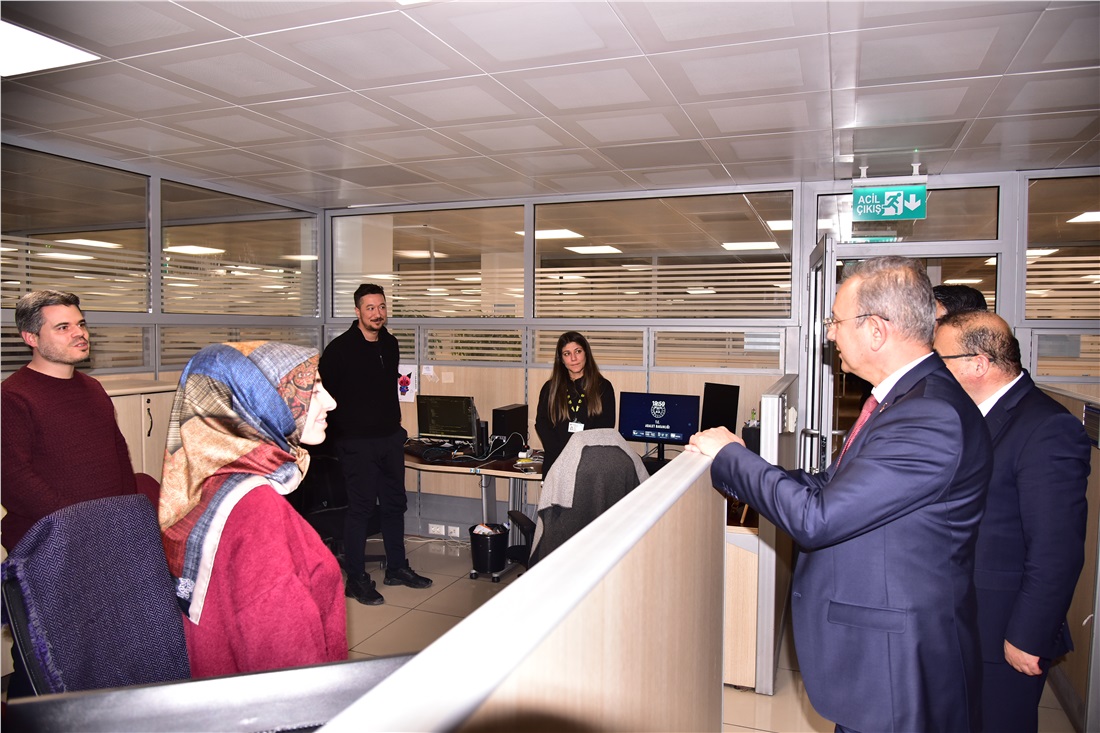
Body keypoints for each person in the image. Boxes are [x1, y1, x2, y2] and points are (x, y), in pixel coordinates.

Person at [689, 256, 993, 732]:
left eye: (835, 321)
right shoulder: (902, 400)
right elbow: (831, 486)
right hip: (881, 658)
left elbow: (818, 518)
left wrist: (731, 456)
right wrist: (742, 463)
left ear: (875, 330)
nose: (830, 334)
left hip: (897, 666)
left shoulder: (928, 414)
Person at [934, 310, 1090, 732]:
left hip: (1001, 628)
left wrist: (1028, 635)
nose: (932, 369)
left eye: (939, 359)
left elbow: (1057, 548)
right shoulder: (973, 415)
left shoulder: (1046, 427)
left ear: (978, 364)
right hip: (961, 618)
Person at [158, 341, 346, 678]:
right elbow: (286, 663)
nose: (331, 402)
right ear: (261, 401)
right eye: (313, 389)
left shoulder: (207, 484)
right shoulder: (258, 511)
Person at [320, 283, 431, 606]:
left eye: (381, 307)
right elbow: (324, 398)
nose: (377, 313)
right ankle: (356, 580)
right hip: (356, 443)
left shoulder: (390, 344)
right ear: (357, 311)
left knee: (395, 505)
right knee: (361, 509)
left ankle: (397, 567)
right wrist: (340, 438)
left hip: (389, 439)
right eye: (370, 308)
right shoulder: (340, 350)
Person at [1, 290, 137, 551]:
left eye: (81, 324)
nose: (79, 333)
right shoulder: (12, 396)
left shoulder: (93, 388)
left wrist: (128, 515)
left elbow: (118, 453)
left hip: (107, 532)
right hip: (49, 542)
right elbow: (13, 480)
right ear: (31, 338)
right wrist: (81, 524)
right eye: (63, 327)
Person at [535, 331, 616, 477]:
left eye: (578, 351)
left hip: (589, 465)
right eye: (567, 354)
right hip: (556, 463)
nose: (573, 358)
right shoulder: (550, 388)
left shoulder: (603, 387)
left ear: (586, 353)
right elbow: (542, 424)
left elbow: (605, 427)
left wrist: (579, 455)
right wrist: (564, 454)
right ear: (561, 359)